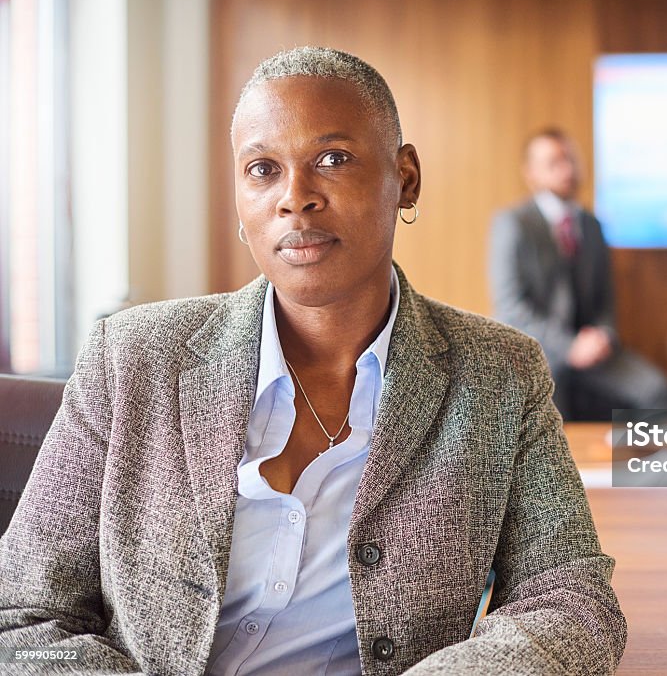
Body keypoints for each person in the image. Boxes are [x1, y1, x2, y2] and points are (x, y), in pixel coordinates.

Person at [0, 48, 625, 675]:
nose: (294, 199)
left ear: (405, 176)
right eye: (263, 169)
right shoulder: (132, 357)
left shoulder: (497, 374)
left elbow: (572, 603)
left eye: (333, 159)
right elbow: (20, 615)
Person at [489, 128, 667, 418]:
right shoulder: (513, 224)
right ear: (531, 173)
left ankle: (638, 464)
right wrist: (569, 347)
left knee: (656, 390)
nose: (567, 169)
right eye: (554, 163)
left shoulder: (592, 226)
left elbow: (606, 300)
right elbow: (512, 308)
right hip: (539, 352)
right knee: (547, 408)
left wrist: (603, 335)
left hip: (595, 351)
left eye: (571, 159)